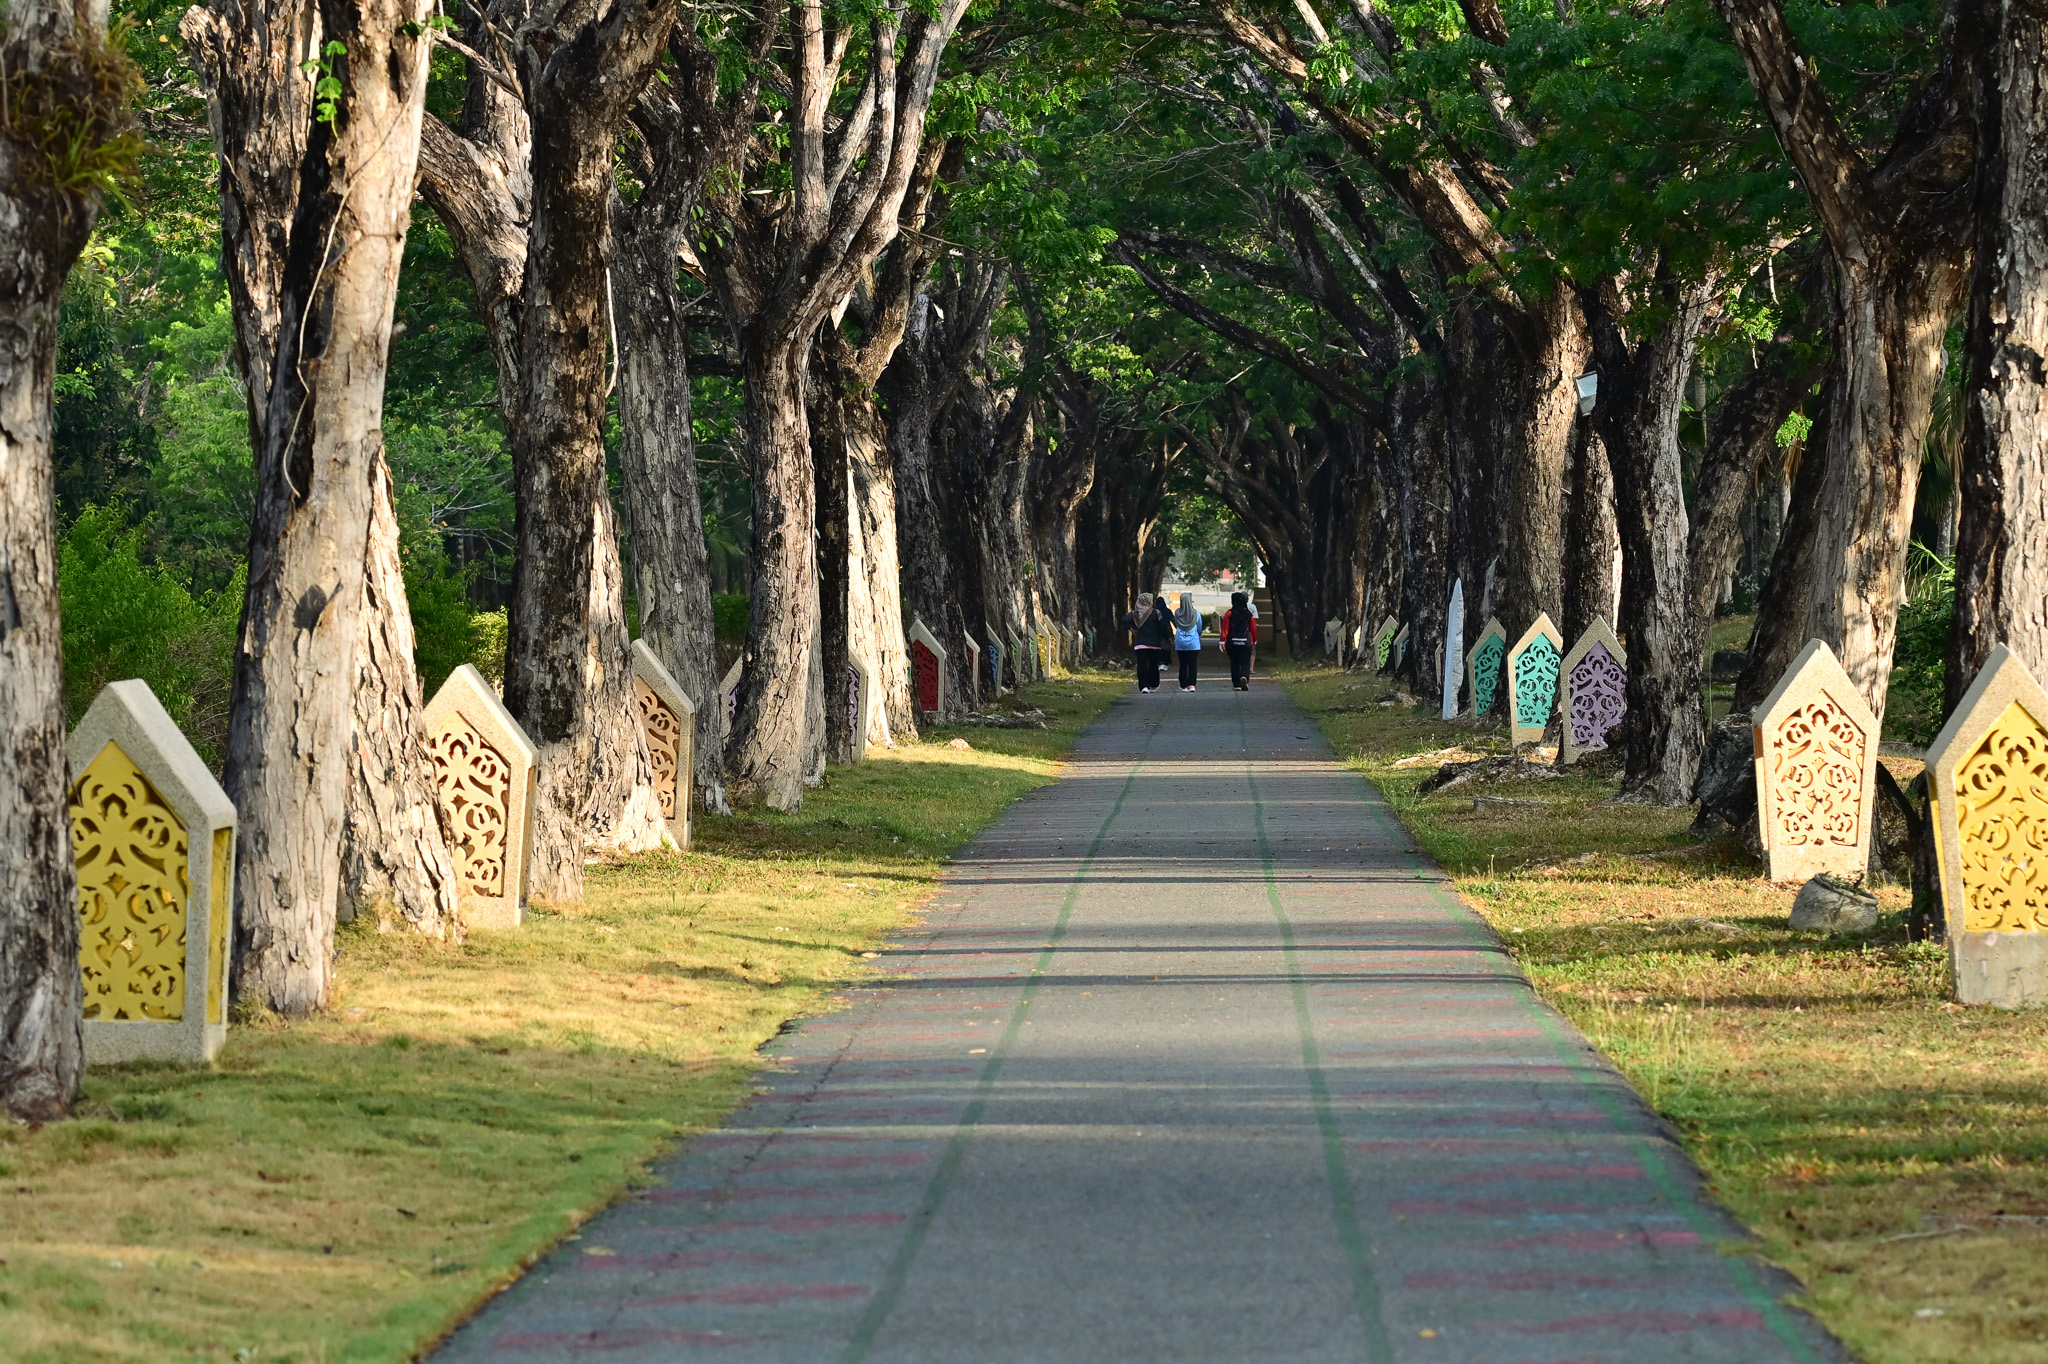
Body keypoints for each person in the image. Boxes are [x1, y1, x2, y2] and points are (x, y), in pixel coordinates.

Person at [1124, 592, 1171, 692]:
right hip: (1155, 644)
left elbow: (1124, 620)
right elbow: (1163, 627)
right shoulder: (1156, 613)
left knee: (1142, 665)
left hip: (1140, 644)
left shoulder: (1135, 613)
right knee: (1153, 665)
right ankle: (1153, 684)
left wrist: (1132, 629)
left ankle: (1143, 686)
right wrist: (1167, 638)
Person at [1219, 591, 1257, 690]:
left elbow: (1225, 628)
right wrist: (1254, 640)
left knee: (1234, 662)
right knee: (1245, 661)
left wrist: (1222, 641)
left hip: (1232, 643)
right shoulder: (1248, 614)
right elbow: (1253, 628)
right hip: (1246, 642)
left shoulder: (1229, 613)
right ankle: (1244, 676)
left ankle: (1236, 684)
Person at [1172, 592, 1203, 690]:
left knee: (1183, 663)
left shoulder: (1177, 613)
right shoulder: (1196, 613)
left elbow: (1176, 624)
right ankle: (1192, 684)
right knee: (1193, 664)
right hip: (1193, 642)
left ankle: (1183, 684)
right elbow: (1199, 628)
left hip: (1180, 642)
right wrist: (1198, 636)